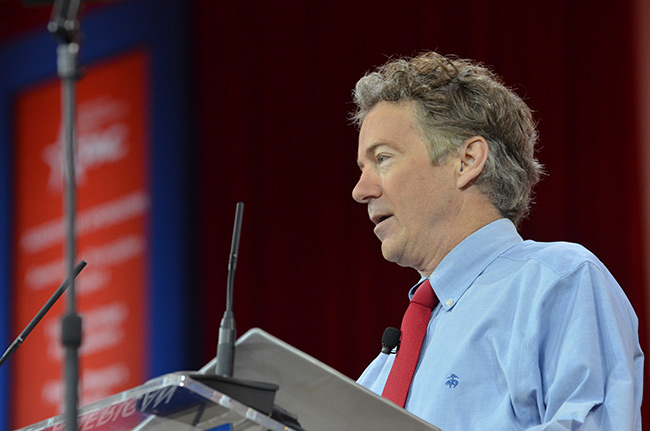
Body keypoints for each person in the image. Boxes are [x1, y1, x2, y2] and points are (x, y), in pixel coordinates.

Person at [351, 51, 643, 430]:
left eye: (383, 158)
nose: (361, 190)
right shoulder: (381, 371)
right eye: (362, 168)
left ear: (467, 159)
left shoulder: (558, 281)